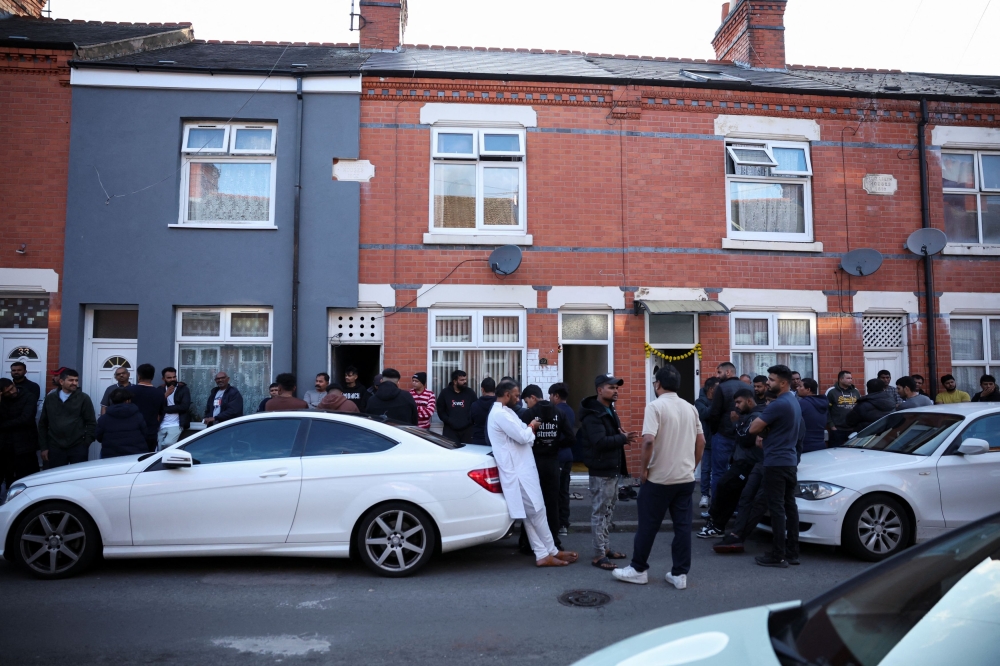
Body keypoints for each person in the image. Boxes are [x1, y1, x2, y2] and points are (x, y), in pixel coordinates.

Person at [613, 365, 704, 588]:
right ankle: (680, 574)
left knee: (648, 525)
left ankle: (638, 568)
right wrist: (692, 466)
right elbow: (701, 441)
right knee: (682, 527)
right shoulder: (690, 408)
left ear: (657, 384)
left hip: (659, 479)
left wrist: (643, 469)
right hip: (685, 478)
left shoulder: (655, 407)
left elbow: (648, 440)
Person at [487, 379, 578, 568]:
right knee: (537, 511)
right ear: (506, 395)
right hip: (518, 472)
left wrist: (528, 429)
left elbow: (522, 435)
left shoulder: (506, 412)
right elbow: (523, 437)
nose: (519, 399)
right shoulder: (500, 415)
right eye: (516, 395)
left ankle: (544, 553)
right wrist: (532, 427)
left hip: (521, 469)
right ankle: (549, 551)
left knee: (531, 515)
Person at [580, 374, 640, 571]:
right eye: (611, 387)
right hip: (601, 471)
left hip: (611, 469)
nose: (616, 391)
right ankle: (599, 555)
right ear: (599, 390)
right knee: (600, 512)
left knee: (608, 511)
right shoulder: (593, 415)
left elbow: (610, 437)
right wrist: (622, 438)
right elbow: (599, 442)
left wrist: (619, 436)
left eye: (617, 388)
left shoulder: (608, 410)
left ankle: (605, 548)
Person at [748, 365, 804, 568]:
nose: (767, 383)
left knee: (777, 509)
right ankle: (792, 553)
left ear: (782, 383)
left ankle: (778, 555)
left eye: (771, 380)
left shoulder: (778, 404)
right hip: (789, 461)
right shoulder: (794, 401)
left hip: (776, 462)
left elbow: (754, 428)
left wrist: (763, 428)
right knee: (790, 507)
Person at [699, 387, 763, 539]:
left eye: (739, 402)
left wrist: (736, 423)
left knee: (724, 486)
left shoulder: (756, 416)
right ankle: (717, 525)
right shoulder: (748, 416)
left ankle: (716, 523)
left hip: (748, 463)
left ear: (749, 401)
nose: (736, 406)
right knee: (729, 491)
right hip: (741, 461)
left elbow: (746, 439)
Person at [518, 383, 575, 554]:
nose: (527, 405)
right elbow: (571, 438)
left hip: (533, 462)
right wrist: (556, 445)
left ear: (533, 398)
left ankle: (527, 543)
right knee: (552, 503)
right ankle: (554, 542)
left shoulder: (529, 414)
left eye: (527, 401)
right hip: (552, 462)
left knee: (532, 504)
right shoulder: (560, 413)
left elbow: (521, 436)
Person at [37, 368, 96, 469]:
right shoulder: (50, 398)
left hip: (77, 446)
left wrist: (85, 443)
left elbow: (91, 422)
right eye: (71, 380)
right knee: (55, 477)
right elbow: (43, 423)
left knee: (78, 477)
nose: (74, 383)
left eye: (76, 380)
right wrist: (44, 447)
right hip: (55, 446)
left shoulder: (83, 398)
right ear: (61, 381)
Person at [707, 362, 744, 498]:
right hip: (741, 436)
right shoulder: (747, 387)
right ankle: (737, 508)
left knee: (718, 472)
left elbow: (714, 413)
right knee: (739, 473)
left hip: (723, 434)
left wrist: (714, 431)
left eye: (719, 372)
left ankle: (716, 509)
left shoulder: (721, 388)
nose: (717, 375)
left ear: (728, 372)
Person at [0, 377, 40, 485]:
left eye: (12, 388)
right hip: (6, 446)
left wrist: (3, 425)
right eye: (7, 392)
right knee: (9, 477)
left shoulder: (28, 396)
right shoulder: (3, 400)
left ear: (13, 384)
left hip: (25, 444)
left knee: (27, 477)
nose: (12, 392)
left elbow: (26, 419)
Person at [548, 382, 576, 537]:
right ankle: (564, 524)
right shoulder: (570, 411)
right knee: (564, 491)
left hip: (558, 455)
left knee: (555, 491)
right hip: (568, 455)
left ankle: (558, 524)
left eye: (551, 395)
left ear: (556, 396)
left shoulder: (555, 411)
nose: (549, 398)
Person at [95, 388, 149, 458]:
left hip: (111, 456)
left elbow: (99, 437)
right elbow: (145, 434)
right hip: (135, 456)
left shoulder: (104, 419)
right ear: (127, 400)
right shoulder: (138, 416)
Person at [694, 377, 719, 509]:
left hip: (720, 439)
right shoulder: (699, 402)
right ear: (711, 389)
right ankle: (704, 495)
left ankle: (717, 496)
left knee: (719, 470)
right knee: (706, 469)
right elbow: (705, 414)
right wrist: (718, 405)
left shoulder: (718, 401)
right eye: (718, 388)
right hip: (707, 440)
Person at [129, 363, 165, 452]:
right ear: (152, 377)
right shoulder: (159, 393)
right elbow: (161, 413)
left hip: (132, 431)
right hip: (151, 431)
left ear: (139, 376)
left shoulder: (129, 391)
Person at [436, 370, 477, 444]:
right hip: (450, 430)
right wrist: (448, 420)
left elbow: (475, 409)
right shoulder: (445, 393)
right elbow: (440, 410)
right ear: (455, 381)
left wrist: (469, 421)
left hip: (467, 430)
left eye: (465, 379)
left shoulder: (470, 393)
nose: (465, 382)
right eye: (462, 380)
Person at [158, 367, 191, 449]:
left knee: (167, 444)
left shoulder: (183, 389)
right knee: (159, 447)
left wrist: (165, 409)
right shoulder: (160, 390)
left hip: (176, 424)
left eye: (174, 377)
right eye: (169, 378)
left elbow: (184, 406)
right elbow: (155, 405)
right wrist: (166, 395)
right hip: (161, 424)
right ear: (163, 379)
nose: (172, 379)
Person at [826, 370, 860, 447]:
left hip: (853, 429)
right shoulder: (832, 391)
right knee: (835, 452)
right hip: (837, 429)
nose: (851, 380)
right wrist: (832, 426)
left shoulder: (856, 391)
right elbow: (826, 410)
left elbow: (859, 407)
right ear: (841, 379)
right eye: (848, 378)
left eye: (851, 378)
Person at [796, 378, 828, 453]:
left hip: (805, 445)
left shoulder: (802, 404)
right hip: (821, 444)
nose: (797, 388)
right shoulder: (823, 403)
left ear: (808, 389)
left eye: (800, 386)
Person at [470, 377, 497, 445]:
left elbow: (470, 421)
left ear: (482, 389)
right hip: (495, 440)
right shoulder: (499, 405)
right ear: (495, 389)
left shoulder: (475, 405)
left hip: (478, 439)